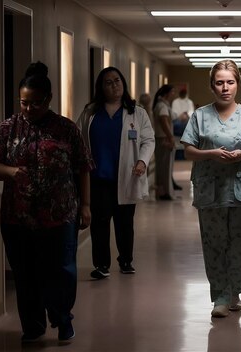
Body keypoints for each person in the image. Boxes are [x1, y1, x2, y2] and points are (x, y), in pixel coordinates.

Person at [0, 61, 93, 342]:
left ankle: (61, 317)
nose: (29, 109)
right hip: (17, 216)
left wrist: (85, 206)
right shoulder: (8, 128)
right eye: (24, 102)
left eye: (35, 103)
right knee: (25, 274)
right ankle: (33, 327)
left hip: (59, 215)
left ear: (48, 99)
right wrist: (11, 172)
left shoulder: (66, 129)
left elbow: (83, 166)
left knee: (61, 271)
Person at [180, 60, 241, 318]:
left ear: (237, 85)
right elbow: (188, 151)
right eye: (219, 82)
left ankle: (235, 293)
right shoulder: (200, 116)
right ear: (212, 86)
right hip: (211, 188)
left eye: (230, 82)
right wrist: (210, 153)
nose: (225, 88)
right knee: (214, 243)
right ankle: (219, 295)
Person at [76, 67, 155, 279]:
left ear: (124, 83)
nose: (114, 85)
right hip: (98, 178)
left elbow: (148, 140)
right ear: (101, 87)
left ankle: (126, 260)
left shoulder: (137, 112)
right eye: (108, 82)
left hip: (126, 177)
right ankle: (101, 265)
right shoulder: (90, 113)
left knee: (124, 223)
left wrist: (142, 160)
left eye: (117, 81)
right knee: (99, 224)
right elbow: (79, 142)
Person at [153, 84, 178, 200]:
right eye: (172, 92)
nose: (174, 94)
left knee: (163, 167)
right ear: (167, 93)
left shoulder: (162, 104)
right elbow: (164, 121)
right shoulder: (162, 106)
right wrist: (170, 137)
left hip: (162, 138)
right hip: (164, 139)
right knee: (165, 167)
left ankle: (163, 191)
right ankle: (165, 192)